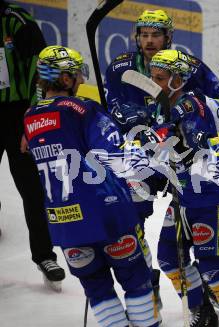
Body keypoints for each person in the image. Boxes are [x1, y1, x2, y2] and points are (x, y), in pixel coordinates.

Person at [24, 45, 170, 327]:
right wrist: (155, 159)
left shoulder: (29, 117)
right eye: (77, 75)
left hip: (65, 223)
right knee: (137, 281)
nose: (81, 80)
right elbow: (117, 157)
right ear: (65, 78)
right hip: (107, 214)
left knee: (98, 290)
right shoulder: (82, 109)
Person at [104, 8, 219, 315]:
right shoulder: (121, 68)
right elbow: (110, 108)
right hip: (144, 156)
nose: (148, 41)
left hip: (183, 153)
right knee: (131, 215)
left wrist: (195, 128)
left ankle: (205, 286)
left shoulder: (189, 68)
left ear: (169, 37)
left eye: (155, 34)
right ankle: (147, 281)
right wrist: (124, 117)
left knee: (196, 227)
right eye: (143, 35)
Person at [142, 49, 219, 327]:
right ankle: (202, 311)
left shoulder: (190, 105)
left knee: (213, 266)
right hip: (186, 194)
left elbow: (196, 143)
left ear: (178, 80)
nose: (154, 83)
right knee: (168, 257)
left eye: (161, 78)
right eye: (152, 76)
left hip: (214, 196)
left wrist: (160, 142)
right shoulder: (165, 106)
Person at [0, 0, 65, 290]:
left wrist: (33, 119)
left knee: (31, 188)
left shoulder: (17, 22)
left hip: (17, 115)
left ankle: (44, 255)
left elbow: (44, 70)